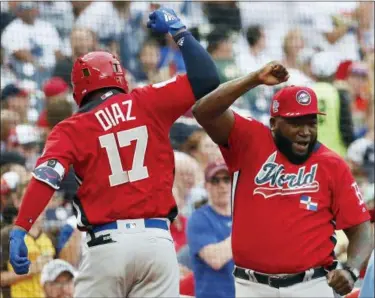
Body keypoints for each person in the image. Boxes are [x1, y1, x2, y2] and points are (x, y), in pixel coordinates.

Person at [8, 7, 219, 298]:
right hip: (157, 242)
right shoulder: (149, 100)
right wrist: (179, 32)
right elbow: (208, 77)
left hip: (107, 245)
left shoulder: (71, 128)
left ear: (80, 87)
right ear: (119, 76)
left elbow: (47, 179)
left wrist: (21, 227)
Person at [192, 61, 373, 297]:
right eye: (296, 122)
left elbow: (361, 228)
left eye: (311, 122)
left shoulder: (332, 164)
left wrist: (350, 269)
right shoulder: (249, 140)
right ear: (274, 124)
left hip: (311, 285)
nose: (305, 131)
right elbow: (203, 111)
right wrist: (253, 79)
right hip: (252, 286)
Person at [187, 160, 234, 298]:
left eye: (227, 179)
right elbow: (215, 259)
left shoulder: (244, 215)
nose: (222, 186)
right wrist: (247, 231)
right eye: (215, 181)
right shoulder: (199, 218)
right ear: (207, 186)